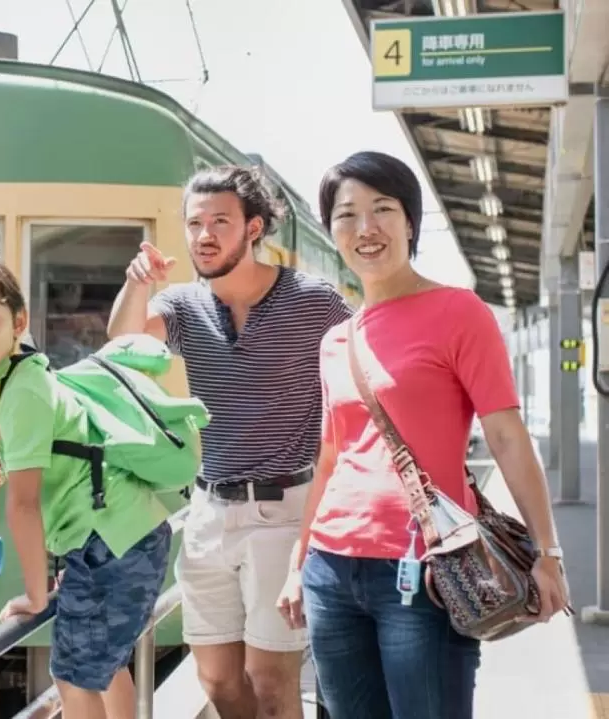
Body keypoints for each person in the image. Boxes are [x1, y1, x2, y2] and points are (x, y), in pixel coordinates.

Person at [276, 150, 571, 718]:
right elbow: (331, 456)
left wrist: (548, 553)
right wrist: (299, 561)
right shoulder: (337, 338)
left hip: (428, 569)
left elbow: (507, 437)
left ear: (410, 222)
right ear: (331, 229)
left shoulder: (460, 313)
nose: (366, 228)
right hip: (331, 571)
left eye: (382, 208)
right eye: (347, 214)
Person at [107, 164, 352, 719]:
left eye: (220, 221)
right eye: (194, 223)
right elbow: (123, 343)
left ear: (254, 227)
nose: (204, 235)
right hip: (208, 514)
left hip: (284, 513)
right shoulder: (182, 305)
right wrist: (137, 282)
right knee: (217, 681)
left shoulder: (315, 302)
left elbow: (364, 371)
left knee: (271, 683)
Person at [0, 254, 172, 719]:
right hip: (123, 536)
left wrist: (36, 595)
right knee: (105, 665)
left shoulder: (20, 392)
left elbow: (23, 505)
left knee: (73, 676)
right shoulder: (18, 372)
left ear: (17, 321)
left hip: (109, 543)